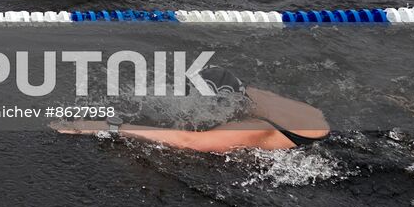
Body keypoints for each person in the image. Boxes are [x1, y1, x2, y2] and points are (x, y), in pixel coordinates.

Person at [55, 66, 330, 153]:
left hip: (311, 152)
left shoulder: (254, 129)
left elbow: (191, 142)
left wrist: (106, 127)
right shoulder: (259, 96)